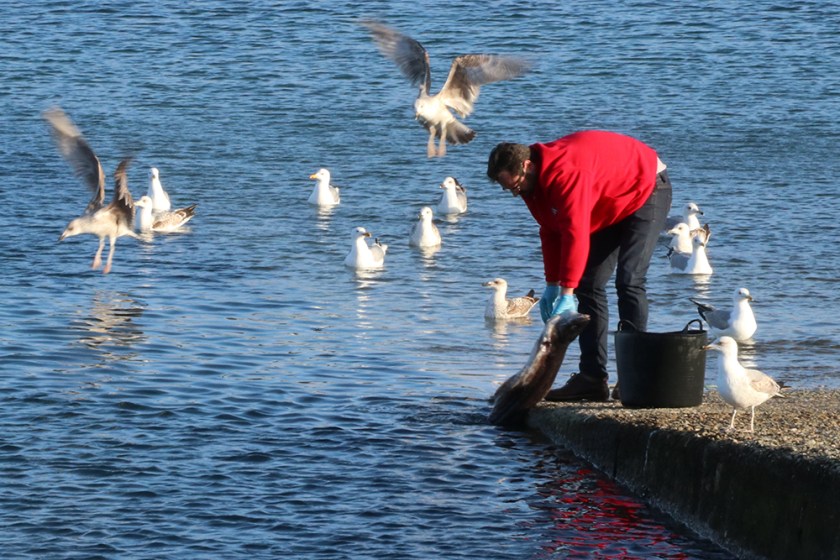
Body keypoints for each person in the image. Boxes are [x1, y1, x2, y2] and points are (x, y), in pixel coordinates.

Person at [486, 130, 672, 401]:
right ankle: (592, 379)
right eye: (507, 189)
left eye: (513, 186)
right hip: (610, 196)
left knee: (629, 279)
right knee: (588, 283)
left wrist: (566, 293)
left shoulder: (566, 174)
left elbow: (576, 233)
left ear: (526, 166)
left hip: (646, 186)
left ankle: (633, 377)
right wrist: (552, 284)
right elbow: (551, 230)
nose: (513, 193)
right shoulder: (530, 182)